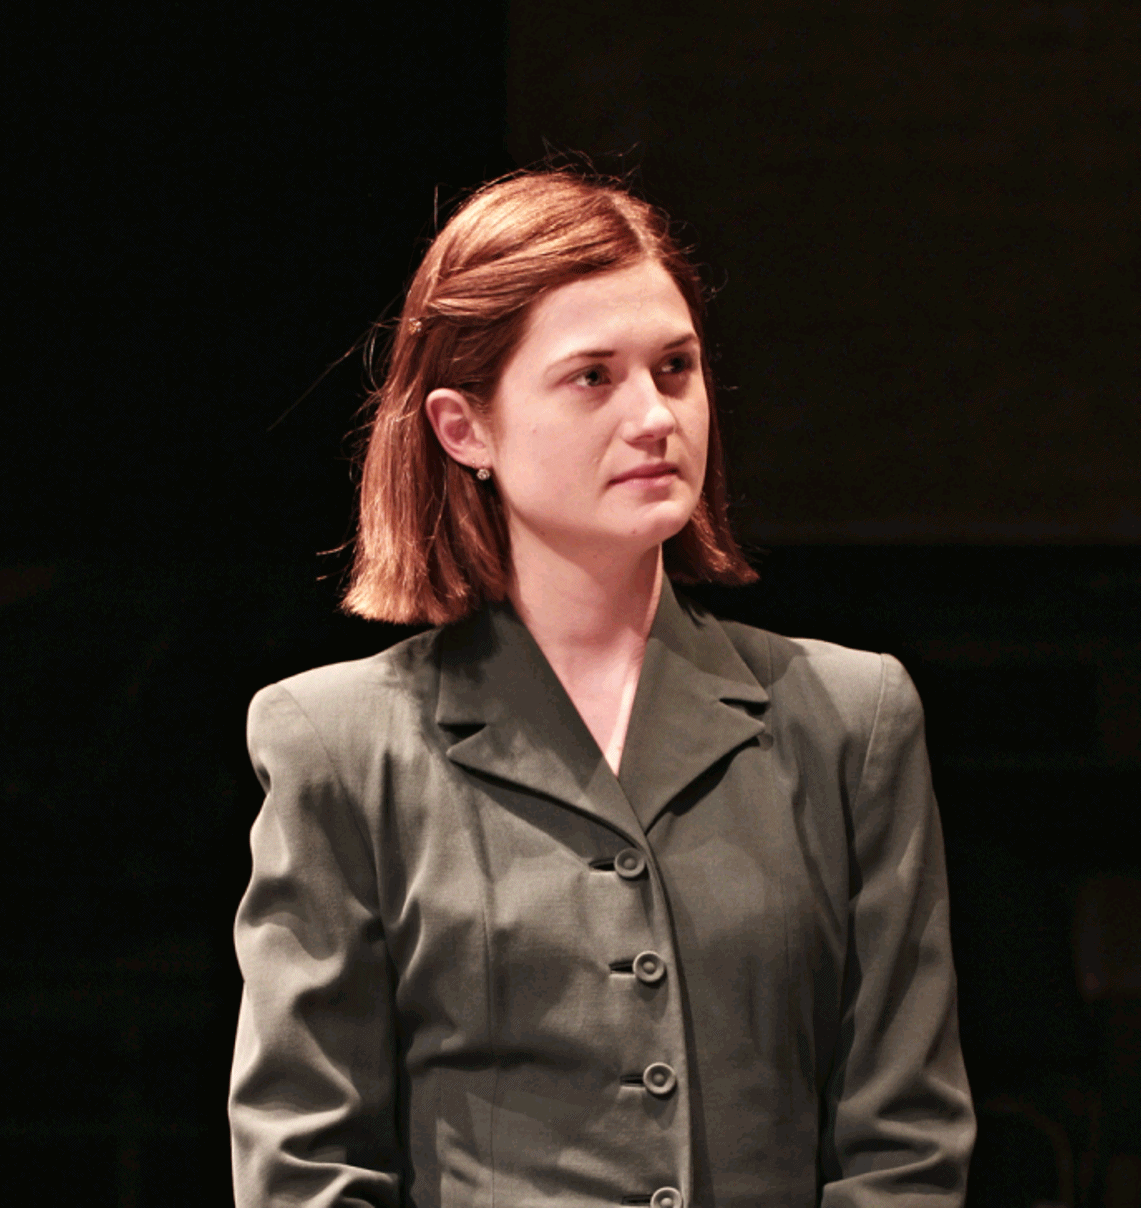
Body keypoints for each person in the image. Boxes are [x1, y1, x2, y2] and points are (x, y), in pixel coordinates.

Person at [229, 170, 975, 1207]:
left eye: (675, 368)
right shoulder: (342, 743)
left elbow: (904, 1144)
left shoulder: (848, 718)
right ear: (463, 427)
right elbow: (308, 1166)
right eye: (592, 377)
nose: (654, 416)